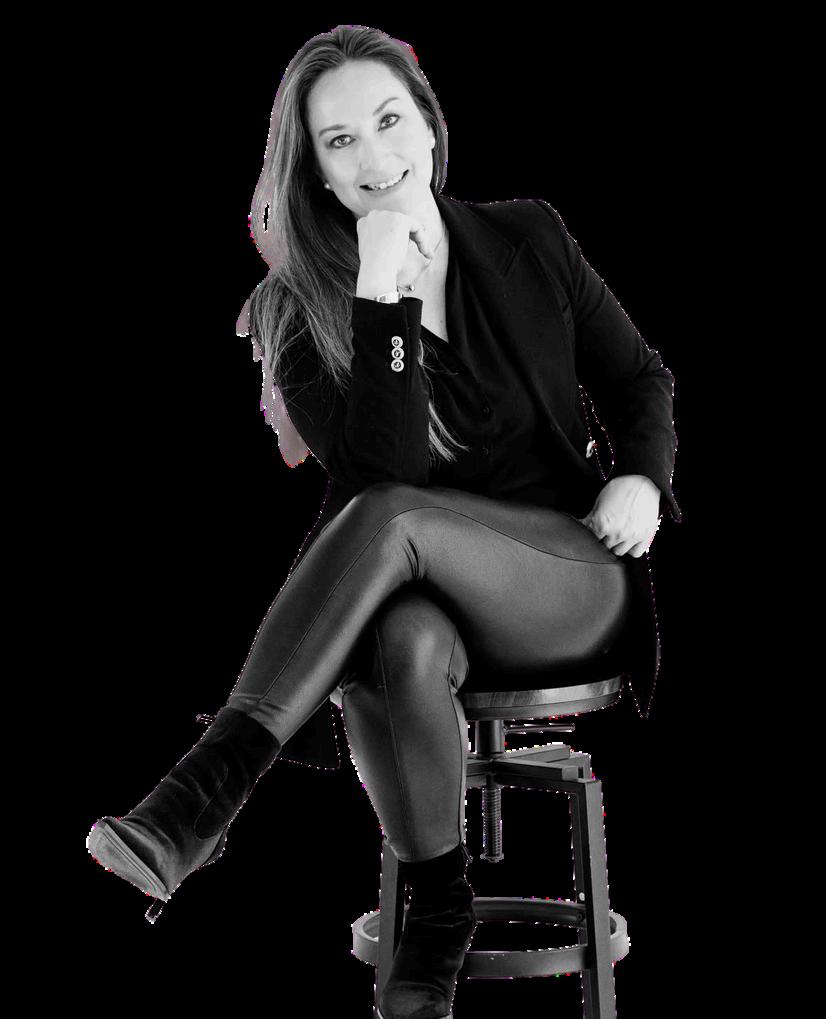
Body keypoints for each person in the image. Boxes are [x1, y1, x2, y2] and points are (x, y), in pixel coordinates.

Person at [87, 25, 681, 1019]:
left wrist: (643, 479)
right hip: (423, 593)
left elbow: (639, 377)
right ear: (315, 172)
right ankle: (440, 908)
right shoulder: (295, 313)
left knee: (394, 527)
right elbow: (388, 473)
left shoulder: (529, 235)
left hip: (567, 573)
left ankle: (215, 781)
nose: (374, 156)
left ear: (430, 124)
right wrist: (380, 295)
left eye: (389, 120)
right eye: (339, 141)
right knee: (397, 635)